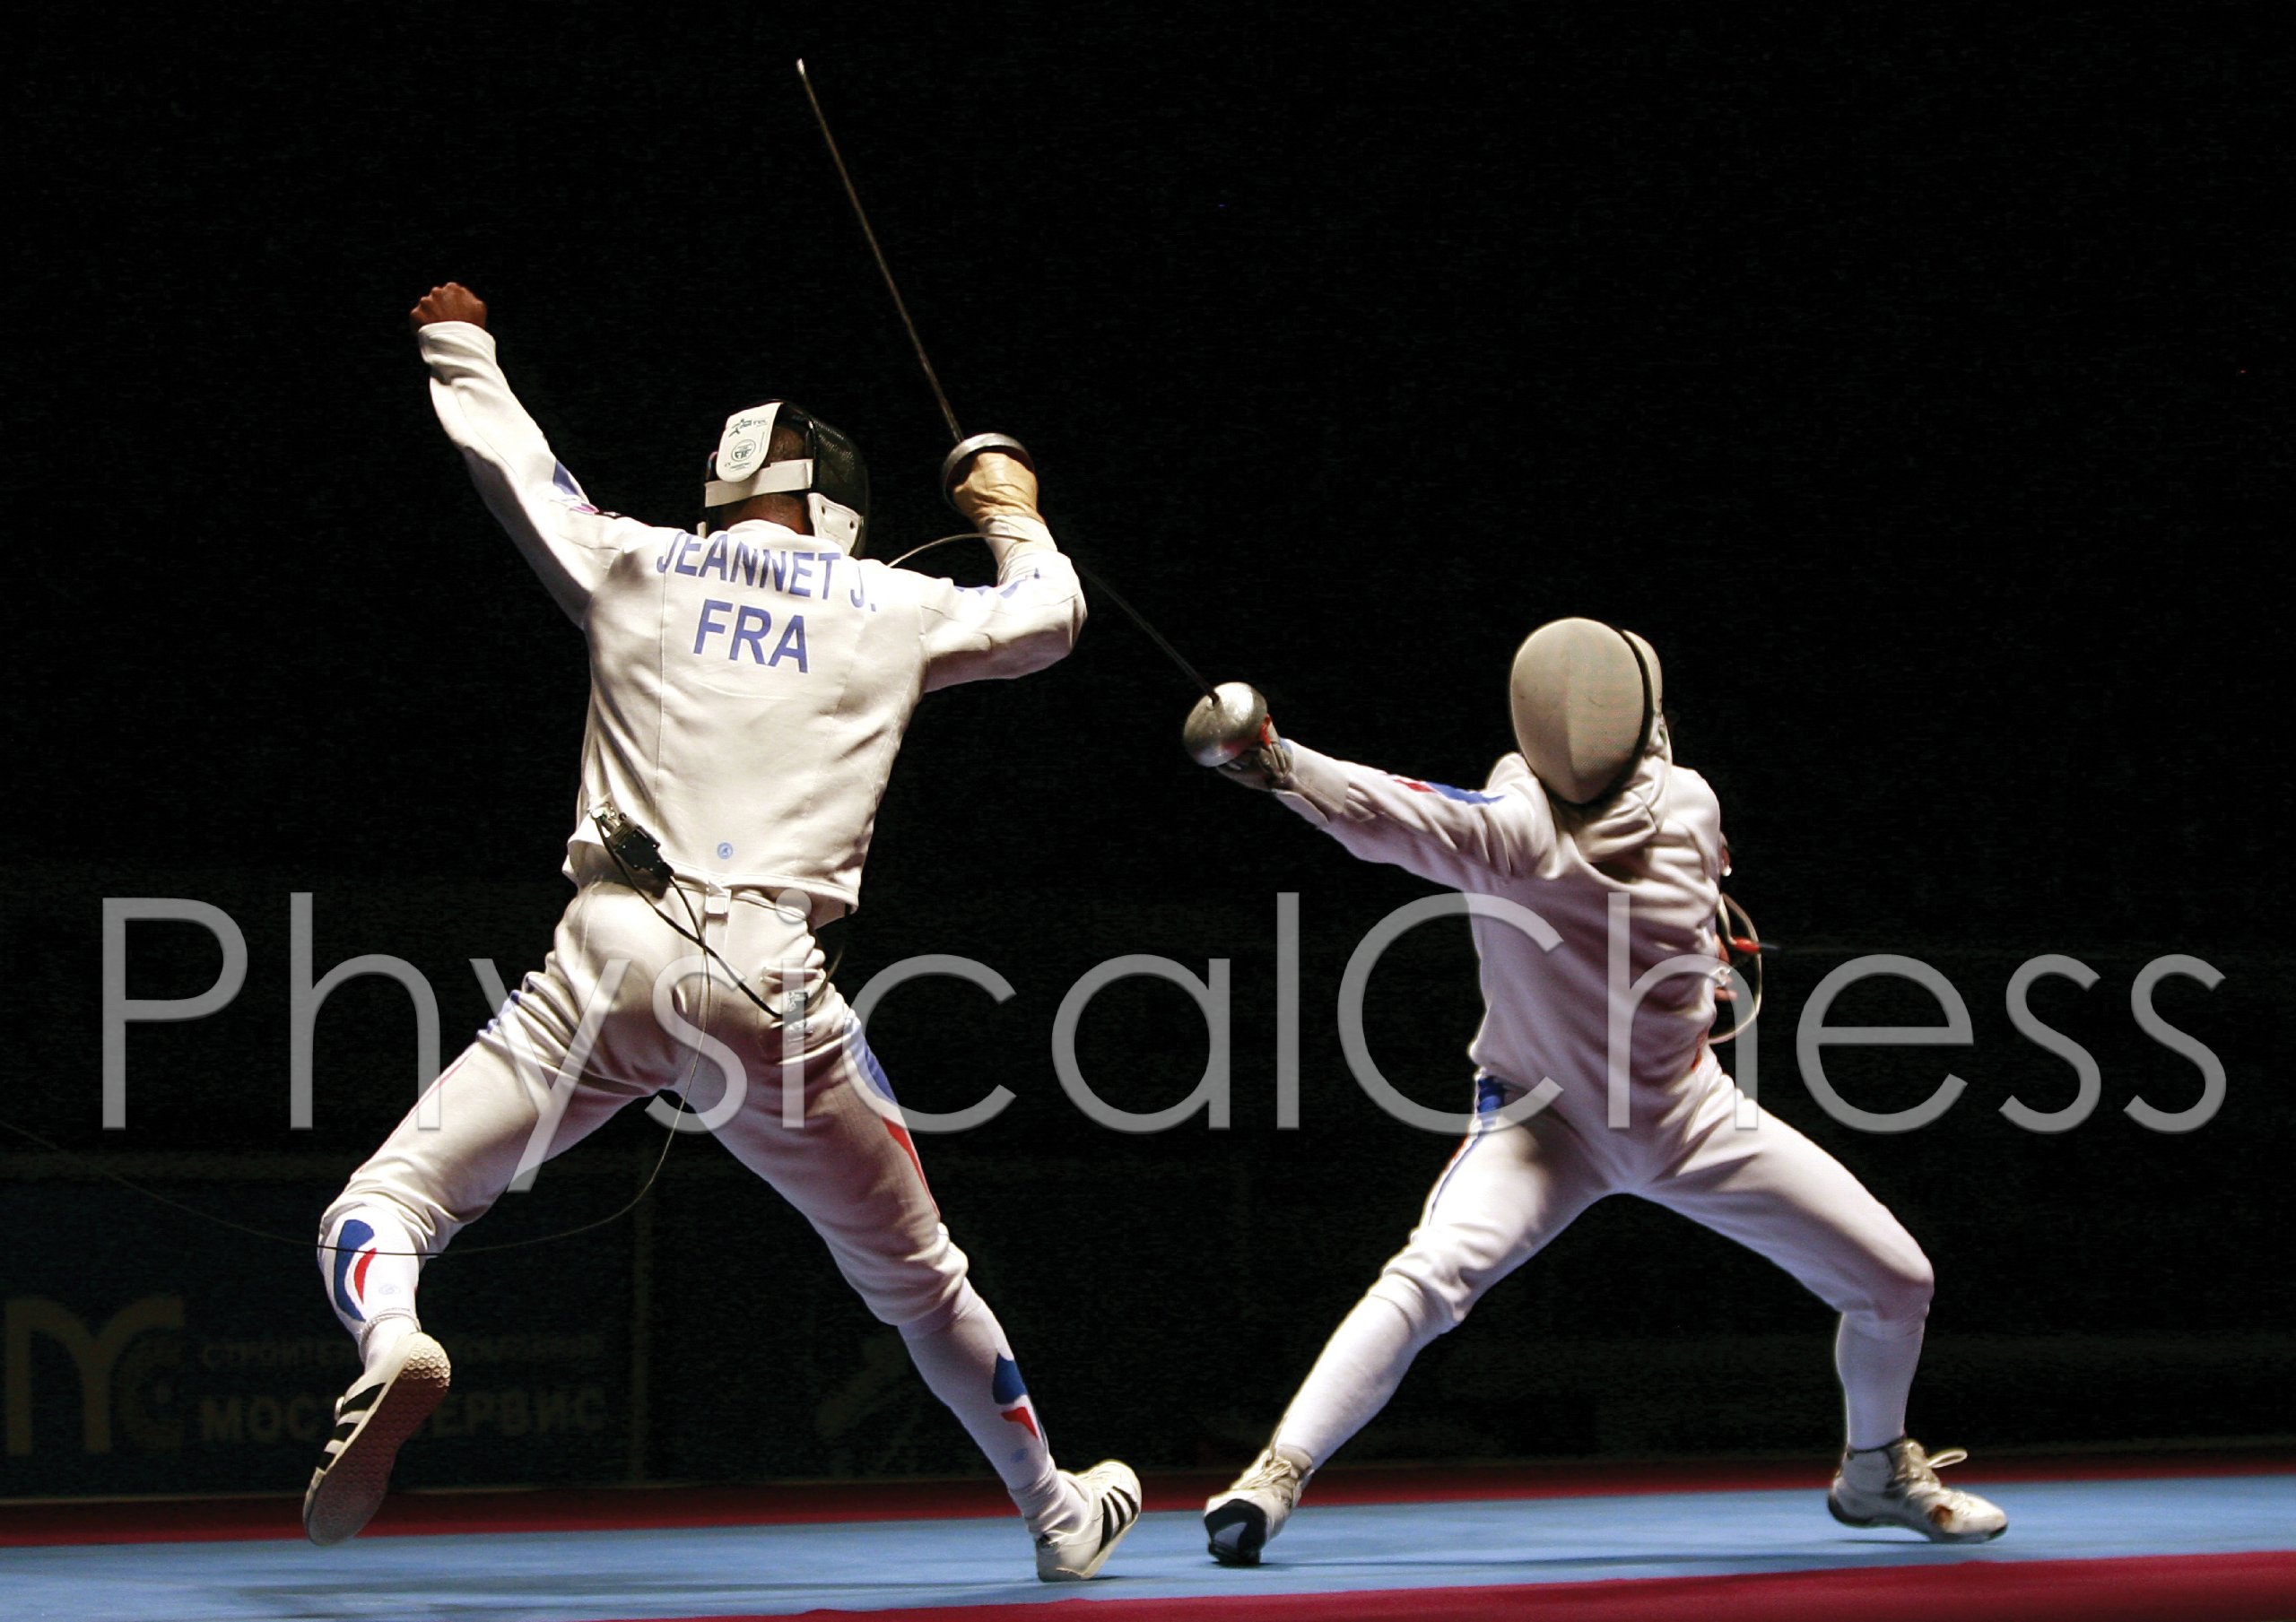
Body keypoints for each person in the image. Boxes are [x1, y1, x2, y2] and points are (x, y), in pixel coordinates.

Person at [301, 282, 1140, 1583]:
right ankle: (1054, 1511)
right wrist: (1010, 513)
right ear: (838, 507)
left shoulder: (633, 558)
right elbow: (1050, 621)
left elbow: (515, 467)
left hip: (602, 954)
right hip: (767, 980)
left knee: (384, 1203)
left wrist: (457, 342)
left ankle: (395, 1334)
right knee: (915, 1276)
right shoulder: (886, 602)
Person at [1182, 620, 2006, 1564]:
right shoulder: (1547, 818)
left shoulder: (1592, 816)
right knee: (1429, 1275)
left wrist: (1272, 763)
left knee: (1896, 1282)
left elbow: (1405, 817)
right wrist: (1282, 763)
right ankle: (1274, 1475)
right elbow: (1390, 809)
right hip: (1545, 1125)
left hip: (1687, 1112)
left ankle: (1874, 1474)